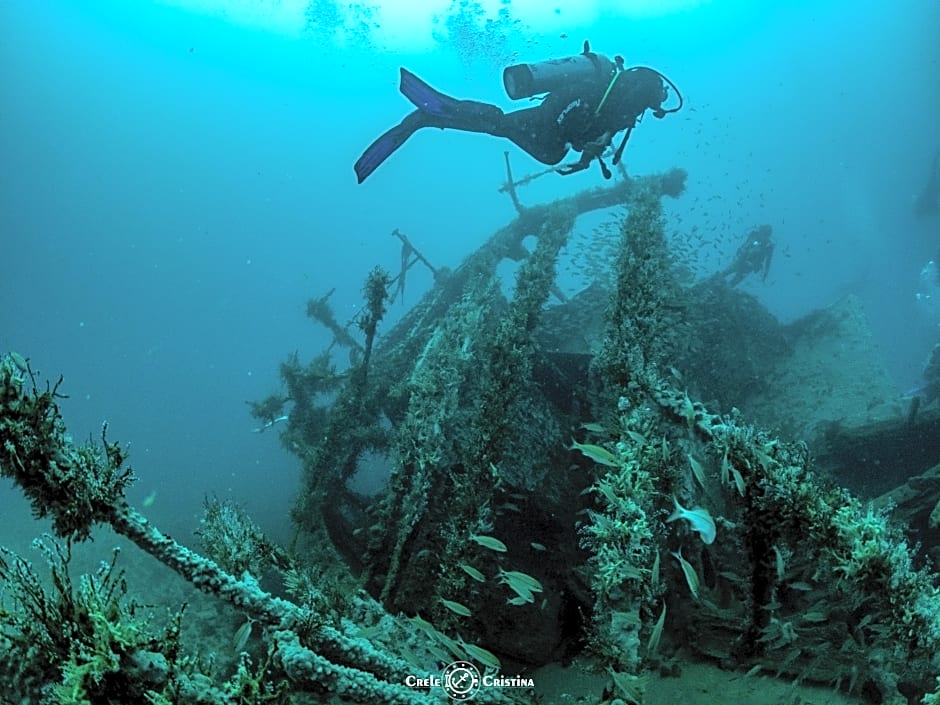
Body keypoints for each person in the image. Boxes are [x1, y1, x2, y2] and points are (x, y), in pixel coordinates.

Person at [354, 40, 681, 184]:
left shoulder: (619, 96)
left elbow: (596, 129)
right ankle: (432, 115)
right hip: (551, 127)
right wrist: (577, 145)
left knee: (500, 123)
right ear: (651, 98)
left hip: (552, 118)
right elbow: (589, 121)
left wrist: (582, 159)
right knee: (510, 129)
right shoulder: (624, 103)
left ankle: (433, 116)